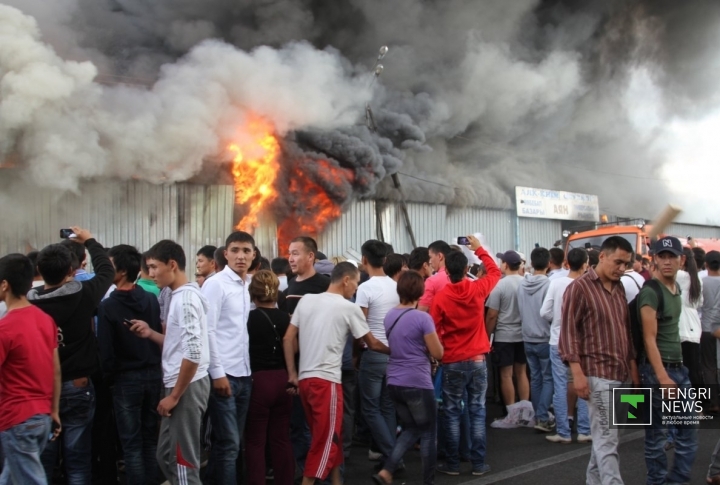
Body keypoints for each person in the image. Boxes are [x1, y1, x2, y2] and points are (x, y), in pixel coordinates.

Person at [283, 262, 389, 485]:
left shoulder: (308, 300)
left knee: (331, 437)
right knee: (324, 441)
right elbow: (372, 343)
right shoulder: (348, 307)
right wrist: (400, 351)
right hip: (327, 383)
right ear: (346, 280)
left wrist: (293, 373)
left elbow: (287, 338)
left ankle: (336, 481)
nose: (356, 289)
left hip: (305, 381)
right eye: (356, 284)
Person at [28, 226, 114, 485]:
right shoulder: (84, 294)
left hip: (42, 390)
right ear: (71, 270)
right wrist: (90, 241)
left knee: (44, 459)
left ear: (40, 271)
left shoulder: (28, 303)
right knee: (78, 461)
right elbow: (107, 271)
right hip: (79, 385)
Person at [129, 240, 210, 485]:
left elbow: (193, 353)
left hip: (186, 386)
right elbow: (180, 344)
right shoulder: (178, 295)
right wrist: (150, 333)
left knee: (182, 462)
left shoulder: (185, 299)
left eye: (154, 267)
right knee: (166, 455)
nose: (150, 273)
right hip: (181, 382)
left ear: (172, 265)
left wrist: (174, 395)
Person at [559, 236, 639, 485]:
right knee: (606, 440)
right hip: (597, 375)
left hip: (623, 373)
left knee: (609, 439)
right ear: (601, 256)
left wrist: (634, 373)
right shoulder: (579, 288)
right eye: (618, 262)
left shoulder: (620, 287)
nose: (622, 269)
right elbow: (569, 334)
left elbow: (625, 330)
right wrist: (578, 375)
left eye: (626, 264)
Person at [430, 235, 501, 477]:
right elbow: (494, 272)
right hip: (478, 360)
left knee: (451, 412)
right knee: (477, 411)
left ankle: (452, 464)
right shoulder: (478, 289)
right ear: (467, 269)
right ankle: (478, 464)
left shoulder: (441, 297)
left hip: (451, 362)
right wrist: (479, 249)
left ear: (446, 271)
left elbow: (434, 329)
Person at [97, 245, 163, 485]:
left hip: (125, 379)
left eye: (109, 264)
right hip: (153, 374)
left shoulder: (108, 306)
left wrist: (109, 377)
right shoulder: (150, 299)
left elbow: (106, 349)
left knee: (131, 443)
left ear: (122, 271)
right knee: (149, 438)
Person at [373, 271, 443, 485]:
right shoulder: (423, 318)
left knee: (411, 428)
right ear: (420, 292)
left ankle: (388, 470)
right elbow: (437, 352)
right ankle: (428, 481)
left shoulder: (390, 316)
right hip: (417, 382)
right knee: (429, 432)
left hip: (394, 380)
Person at [638, 236, 698, 485]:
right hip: (657, 374)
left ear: (681, 260)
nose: (666, 261)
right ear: (654, 261)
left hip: (679, 370)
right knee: (656, 438)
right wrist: (662, 377)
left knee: (689, 431)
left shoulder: (677, 288)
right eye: (661, 256)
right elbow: (649, 339)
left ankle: (678, 479)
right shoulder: (651, 292)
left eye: (671, 256)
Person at [0, 254, 62, 485]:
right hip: (41, 416)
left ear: (5, 284)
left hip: (17, 419)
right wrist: (53, 411)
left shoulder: (5, 328)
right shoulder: (45, 320)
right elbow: (55, 369)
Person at [202, 231, 256, 484]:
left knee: (229, 444)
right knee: (229, 443)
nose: (240, 256)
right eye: (235, 250)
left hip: (244, 374)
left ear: (253, 255)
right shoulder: (216, 284)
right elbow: (208, 330)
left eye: (246, 251)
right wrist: (218, 373)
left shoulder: (246, 286)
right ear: (225, 254)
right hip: (225, 376)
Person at [281, 237, 330, 476]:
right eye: (289, 253)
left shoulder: (324, 285)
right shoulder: (290, 286)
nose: (290, 258)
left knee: (321, 425)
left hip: (320, 365)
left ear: (311, 257)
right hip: (298, 368)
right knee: (298, 425)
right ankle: (306, 471)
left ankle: (324, 471)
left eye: (296, 253)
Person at [244, 271, 293, 485]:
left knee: (255, 442)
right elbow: (295, 348)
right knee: (281, 438)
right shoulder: (287, 319)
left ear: (251, 293)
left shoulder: (247, 319)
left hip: (258, 381)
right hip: (283, 379)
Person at [356, 240, 400, 467]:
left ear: (364, 260)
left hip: (373, 354)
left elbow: (359, 325)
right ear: (385, 260)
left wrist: (355, 354)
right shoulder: (395, 286)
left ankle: (392, 456)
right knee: (387, 406)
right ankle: (391, 455)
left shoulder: (365, 288)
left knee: (370, 408)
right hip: (394, 353)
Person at [540, 248, 591, 444]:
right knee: (584, 383)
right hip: (582, 342)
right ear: (586, 263)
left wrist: (557, 322)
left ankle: (563, 432)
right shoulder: (588, 285)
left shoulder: (556, 283)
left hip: (557, 340)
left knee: (559, 386)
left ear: (567, 262)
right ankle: (585, 430)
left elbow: (544, 312)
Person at [486, 250, 529, 418]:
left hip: (504, 335)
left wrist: (486, 335)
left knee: (506, 374)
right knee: (522, 372)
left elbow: (492, 315)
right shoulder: (527, 282)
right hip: (524, 334)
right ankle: (526, 411)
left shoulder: (500, 285)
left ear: (505, 265)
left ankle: (511, 412)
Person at [517, 247, 553, 432]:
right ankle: (542, 416)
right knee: (548, 379)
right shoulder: (549, 285)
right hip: (545, 338)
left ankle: (540, 415)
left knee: (536, 378)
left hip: (527, 337)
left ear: (531, 263)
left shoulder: (522, 284)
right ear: (549, 264)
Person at [677, 247, 703, 388]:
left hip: (679, 327)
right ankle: (696, 405)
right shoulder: (696, 278)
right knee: (693, 370)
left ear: (682, 259)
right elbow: (699, 303)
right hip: (694, 328)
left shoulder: (678, 275)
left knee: (679, 371)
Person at [701, 250, 720, 413]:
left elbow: (698, 305)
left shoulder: (701, 282)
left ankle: (714, 402)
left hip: (706, 328)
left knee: (708, 366)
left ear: (706, 264)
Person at [418, 241, 452, 312]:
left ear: (440, 256)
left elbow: (421, 311)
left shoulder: (432, 281)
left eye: (430, 257)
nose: (429, 261)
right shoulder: (464, 278)